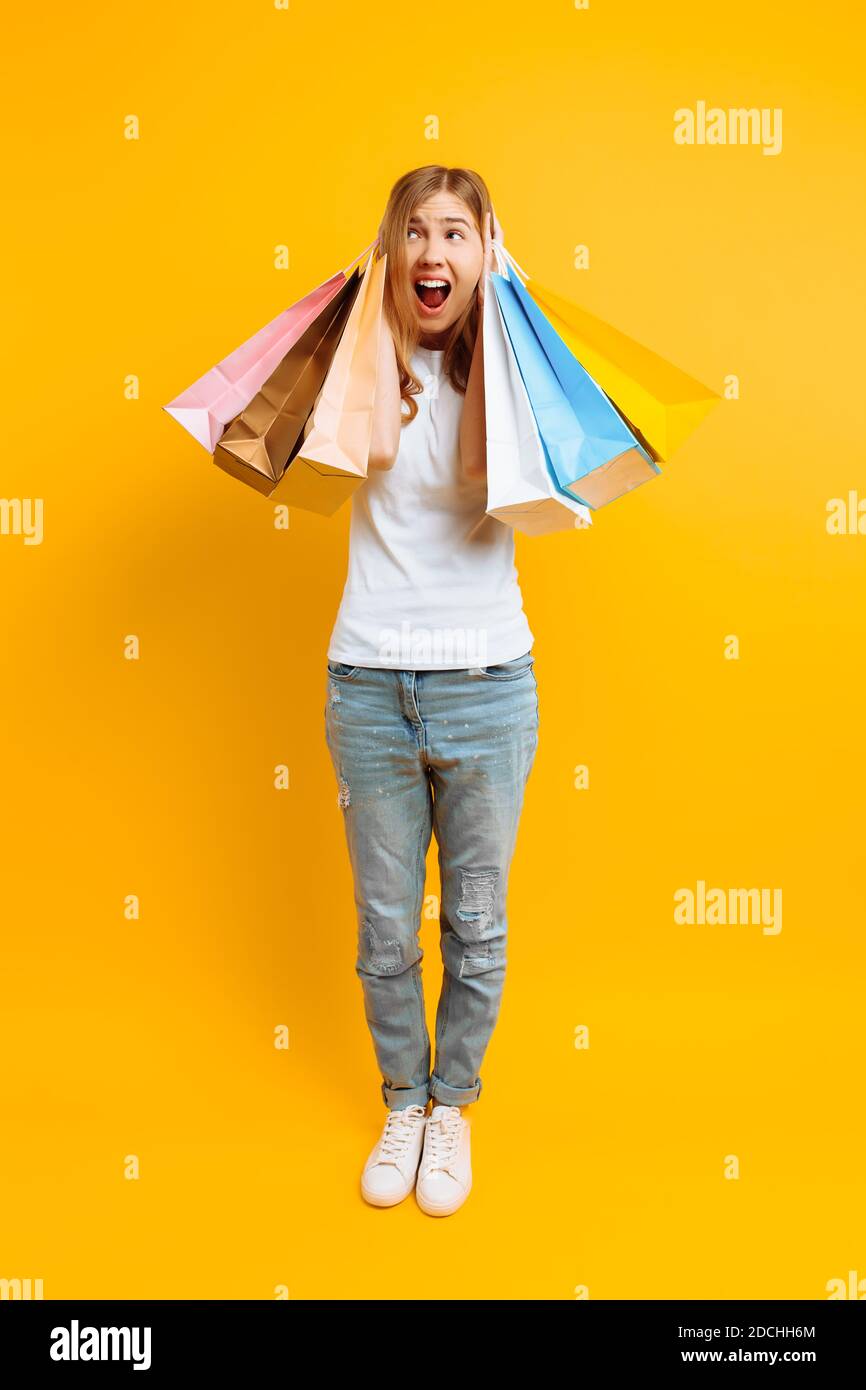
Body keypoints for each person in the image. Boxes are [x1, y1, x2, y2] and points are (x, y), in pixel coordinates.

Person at [324, 165, 539, 1217]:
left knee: (477, 923)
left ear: (485, 252)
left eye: (456, 233)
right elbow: (354, 451)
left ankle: (452, 1103)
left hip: (487, 683)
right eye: (414, 233)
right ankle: (401, 1100)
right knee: (380, 923)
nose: (432, 253)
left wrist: (501, 312)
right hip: (367, 679)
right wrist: (369, 315)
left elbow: (480, 481)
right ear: (392, 250)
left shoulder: (515, 374)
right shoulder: (357, 362)